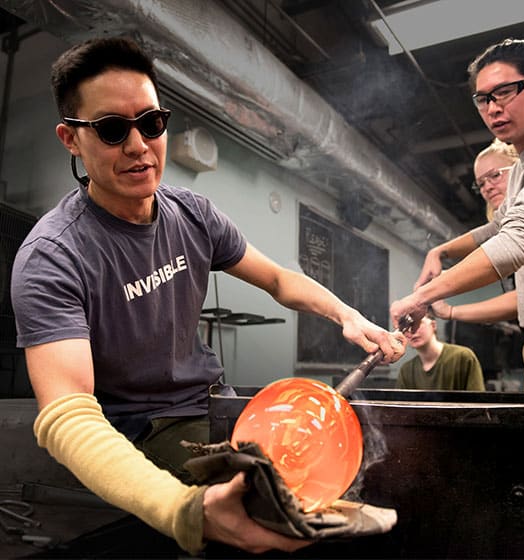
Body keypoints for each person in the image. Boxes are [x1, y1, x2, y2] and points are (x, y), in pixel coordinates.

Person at [10, 37, 406, 556]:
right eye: (111, 130)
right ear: (71, 138)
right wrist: (183, 512)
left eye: (151, 123)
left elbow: (280, 280)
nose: (138, 146)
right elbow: (69, 416)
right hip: (142, 426)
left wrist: (348, 315)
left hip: (212, 402)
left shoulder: (192, 213)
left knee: (338, 474)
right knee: (272, 514)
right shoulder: (53, 255)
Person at [391, 38, 524, 404]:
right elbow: (498, 228)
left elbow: (517, 238)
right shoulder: (523, 169)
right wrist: (441, 250)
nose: (493, 108)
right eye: (483, 99)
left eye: (505, 92)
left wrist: (424, 296)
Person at [431, 138, 520, 322]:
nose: (487, 187)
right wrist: (438, 253)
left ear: (520, 169)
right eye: (480, 183)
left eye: (495, 175)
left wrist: (447, 309)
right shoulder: (507, 224)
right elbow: (492, 230)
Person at [396, 311, 485, 391]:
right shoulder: (406, 370)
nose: (412, 331)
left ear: (433, 325)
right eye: (406, 328)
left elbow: (478, 404)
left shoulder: (463, 358)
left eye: (417, 324)